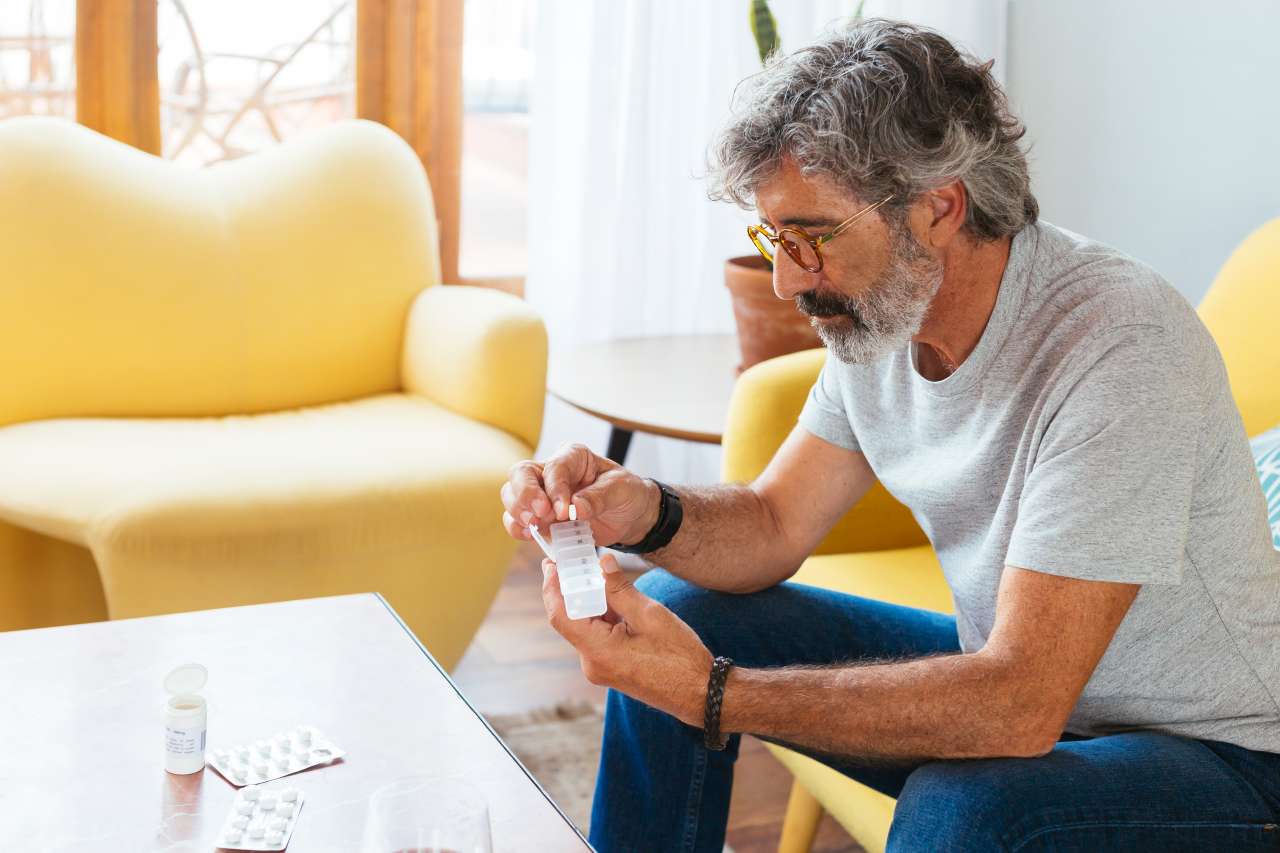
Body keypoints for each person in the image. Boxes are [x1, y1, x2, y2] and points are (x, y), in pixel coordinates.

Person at [500, 18, 1280, 852]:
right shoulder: (883, 317)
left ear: (939, 207)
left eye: (811, 237)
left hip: (1225, 755)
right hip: (1049, 699)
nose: (785, 278)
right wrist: (645, 512)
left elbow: (1017, 704)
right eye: (774, 237)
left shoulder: (1118, 344)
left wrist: (714, 693)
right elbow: (772, 524)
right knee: (680, 605)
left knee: (968, 805)